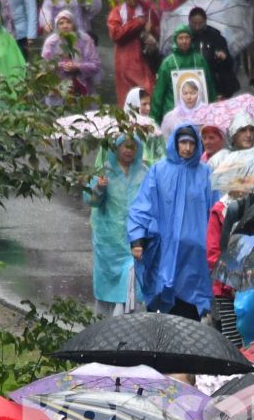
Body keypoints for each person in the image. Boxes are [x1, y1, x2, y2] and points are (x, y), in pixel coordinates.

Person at [127, 124, 213, 318]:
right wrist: (137, 240)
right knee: (160, 313)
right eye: (183, 142)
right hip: (162, 251)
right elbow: (142, 206)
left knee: (189, 314)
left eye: (192, 143)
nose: (188, 148)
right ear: (175, 142)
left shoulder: (205, 174)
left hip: (194, 256)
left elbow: (215, 210)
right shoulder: (158, 171)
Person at [84, 136, 149, 315]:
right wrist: (99, 189)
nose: (129, 150)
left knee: (131, 284)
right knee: (110, 291)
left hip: (135, 241)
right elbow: (91, 201)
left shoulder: (144, 172)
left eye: (133, 147)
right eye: (125, 146)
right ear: (116, 148)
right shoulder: (104, 172)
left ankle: (128, 328)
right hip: (109, 243)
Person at [107, 0, 163, 110]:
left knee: (148, 91)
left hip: (145, 58)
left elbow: (158, 32)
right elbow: (115, 34)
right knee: (126, 95)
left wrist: (152, 29)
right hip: (125, 60)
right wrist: (137, 22)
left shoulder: (147, 10)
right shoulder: (118, 11)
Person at [149, 27, 211, 123]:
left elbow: (209, 86)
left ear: (191, 39)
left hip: (198, 113)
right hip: (173, 112)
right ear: (175, 40)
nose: (184, 41)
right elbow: (159, 93)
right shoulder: (168, 63)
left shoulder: (199, 60)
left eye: (187, 38)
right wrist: (153, 119)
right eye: (180, 38)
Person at [39, 11, 99, 102]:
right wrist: (62, 65)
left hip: (82, 87)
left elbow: (95, 65)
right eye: (61, 23)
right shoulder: (51, 42)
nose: (65, 26)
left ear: (74, 24)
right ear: (57, 26)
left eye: (68, 22)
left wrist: (78, 66)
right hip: (58, 89)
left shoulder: (85, 40)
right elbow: (44, 67)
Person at [185, 6, 240, 98]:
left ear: (205, 21)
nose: (197, 27)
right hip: (195, 80)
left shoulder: (215, 35)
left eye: (200, 23)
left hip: (218, 81)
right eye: (194, 23)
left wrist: (224, 56)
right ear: (189, 21)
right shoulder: (186, 37)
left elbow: (230, 62)